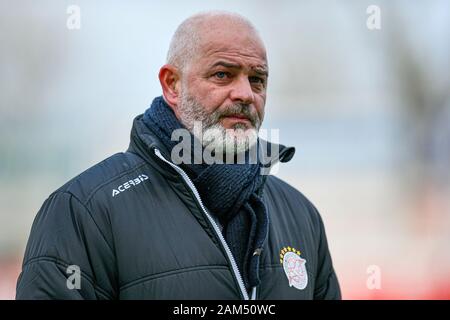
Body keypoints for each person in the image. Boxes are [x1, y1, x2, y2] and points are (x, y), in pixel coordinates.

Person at [16, 11, 341, 300]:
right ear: (172, 84)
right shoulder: (85, 210)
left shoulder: (301, 216)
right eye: (223, 75)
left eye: (257, 79)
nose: (245, 94)